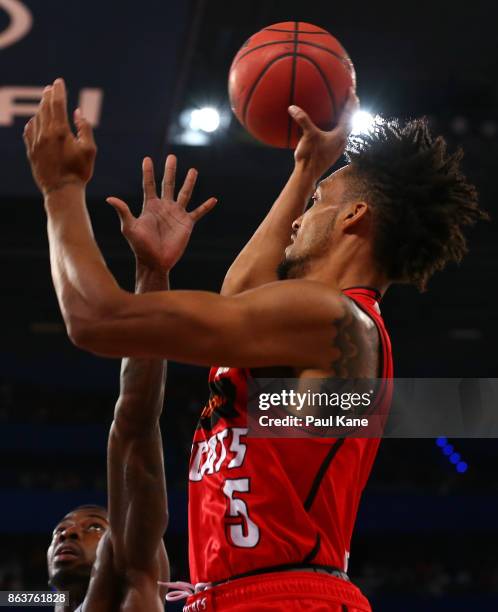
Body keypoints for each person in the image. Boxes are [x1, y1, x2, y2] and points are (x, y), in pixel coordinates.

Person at [24, 78, 486, 611]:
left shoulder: (330, 318)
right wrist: (306, 170)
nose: (296, 219)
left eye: (314, 205)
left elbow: (95, 318)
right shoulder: (321, 329)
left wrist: (59, 188)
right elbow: (242, 290)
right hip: (243, 593)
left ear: (354, 217)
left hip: (286, 595)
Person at [44, 151, 215, 610]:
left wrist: (152, 275)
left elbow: (135, 429)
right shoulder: (39, 600)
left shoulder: (127, 580)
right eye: (63, 530)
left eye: (93, 526)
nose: (71, 533)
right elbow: (21, 598)